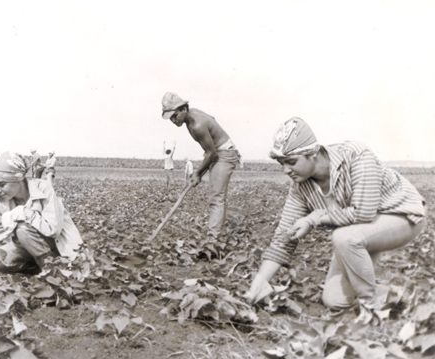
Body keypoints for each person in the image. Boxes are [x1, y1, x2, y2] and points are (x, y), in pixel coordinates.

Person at [244, 117, 427, 310]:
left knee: (344, 236)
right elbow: (284, 236)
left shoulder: (355, 154)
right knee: (334, 300)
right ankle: (403, 294)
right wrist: (258, 285)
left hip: (402, 214)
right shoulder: (300, 186)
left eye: (291, 162)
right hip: (362, 232)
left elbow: (364, 213)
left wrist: (314, 218)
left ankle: (370, 306)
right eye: (281, 163)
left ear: (312, 153)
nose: (285, 170)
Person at [0, 151, 83, 275]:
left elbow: (53, 230)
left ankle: (51, 268)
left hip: (57, 245)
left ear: (19, 178)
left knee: (22, 229)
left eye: (2, 185)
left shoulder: (43, 189)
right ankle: (36, 267)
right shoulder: (0, 201)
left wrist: (23, 212)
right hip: (27, 247)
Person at [162, 92, 242, 238]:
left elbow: (212, 154)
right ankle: (218, 234)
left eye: (175, 115)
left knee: (216, 197)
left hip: (223, 154)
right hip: (217, 151)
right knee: (218, 196)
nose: (173, 120)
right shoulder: (192, 115)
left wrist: (198, 173)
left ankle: (213, 240)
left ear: (183, 109)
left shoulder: (197, 125)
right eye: (170, 118)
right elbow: (212, 122)